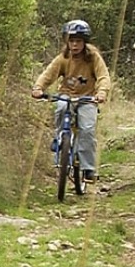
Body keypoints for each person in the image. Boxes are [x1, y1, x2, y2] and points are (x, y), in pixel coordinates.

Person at [32, 20, 111, 182]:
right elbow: (48, 74)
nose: (74, 45)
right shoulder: (63, 58)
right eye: (71, 41)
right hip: (66, 95)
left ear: (85, 42)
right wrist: (38, 87)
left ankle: (88, 168)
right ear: (66, 41)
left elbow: (103, 76)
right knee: (61, 108)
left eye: (78, 41)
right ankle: (60, 137)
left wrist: (101, 92)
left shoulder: (93, 57)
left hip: (87, 98)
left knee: (87, 130)